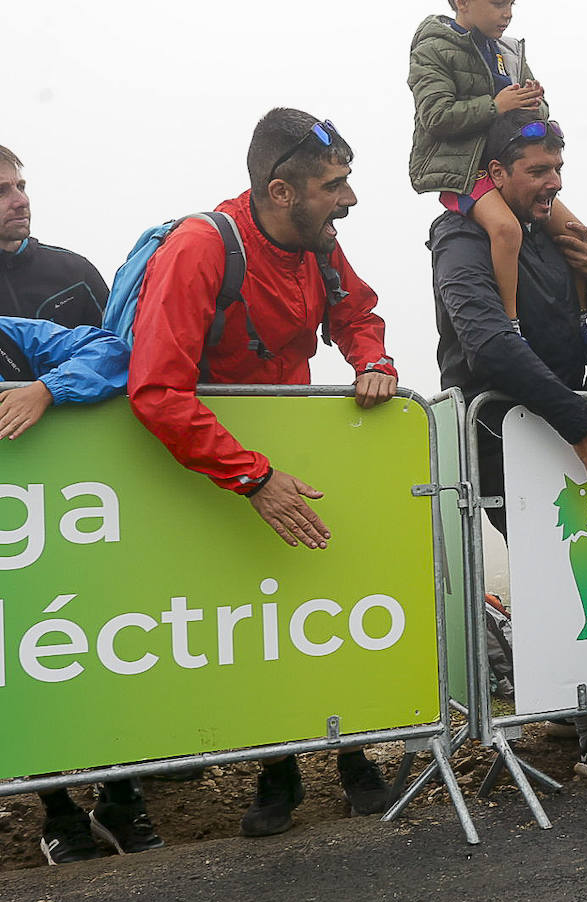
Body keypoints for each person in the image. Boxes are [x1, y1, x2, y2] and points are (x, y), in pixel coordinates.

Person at [127, 108, 399, 837]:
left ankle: (353, 758)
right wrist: (251, 477)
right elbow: (155, 390)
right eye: (335, 185)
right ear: (282, 191)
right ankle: (275, 772)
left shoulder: (318, 242)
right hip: (216, 471)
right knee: (245, 623)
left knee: (316, 608)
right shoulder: (200, 248)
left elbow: (356, 312)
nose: (349, 200)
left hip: (288, 458)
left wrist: (372, 361)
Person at [430, 109, 587, 778]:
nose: (551, 182)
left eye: (558, 169)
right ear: (496, 174)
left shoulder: (548, 234)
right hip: (505, 434)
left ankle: (585, 706)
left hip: (554, 426)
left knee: (576, 568)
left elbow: (560, 323)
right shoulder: (461, 237)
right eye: (536, 172)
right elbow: (490, 343)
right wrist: (576, 419)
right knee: (553, 573)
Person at [0, 317, 161, 863]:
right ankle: (58, 814)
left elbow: (114, 351)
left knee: (65, 655)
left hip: (50, 535)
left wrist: (47, 389)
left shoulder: (9, 332)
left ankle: (116, 799)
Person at [410, 0, 584, 331]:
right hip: (463, 172)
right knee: (506, 229)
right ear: (462, 2)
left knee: (575, 232)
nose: (508, 13)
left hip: (509, 168)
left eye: (511, 3)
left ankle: (579, 320)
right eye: (498, 3)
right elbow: (435, 115)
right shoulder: (434, 46)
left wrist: (535, 102)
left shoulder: (507, 50)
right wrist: (495, 106)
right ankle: (511, 322)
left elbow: (539, 106)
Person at [0, 146, 106, 328]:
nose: (22, 201)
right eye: (1, 191)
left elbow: (119, 349)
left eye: (21, 187)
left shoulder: (76, 274)